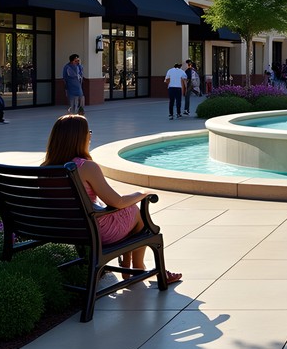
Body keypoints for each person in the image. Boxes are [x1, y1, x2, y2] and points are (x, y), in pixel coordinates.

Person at [41, 114, 182, 284]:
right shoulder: (85, 167)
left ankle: (130, 263)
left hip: (63, 229)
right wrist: (142, 194)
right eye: (88, 131)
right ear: (79, 137)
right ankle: (138, 267)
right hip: (95, 232)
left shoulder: (45, 169)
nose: (90, 135)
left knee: (126, 211)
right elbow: (116, 202)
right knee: (135, 211)